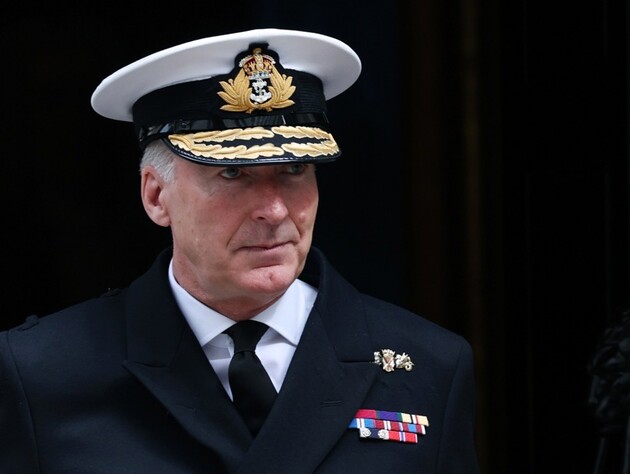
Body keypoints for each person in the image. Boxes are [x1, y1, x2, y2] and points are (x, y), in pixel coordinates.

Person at [0, 28, 480, 473]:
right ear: (156, 196)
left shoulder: (430, 367)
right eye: (232, 173)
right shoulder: (43, 375)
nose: (274, 209)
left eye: (295, 170)